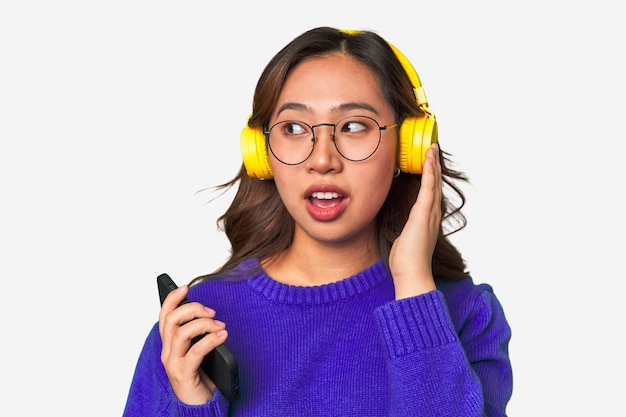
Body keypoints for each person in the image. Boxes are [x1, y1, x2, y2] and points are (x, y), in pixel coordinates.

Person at [122, 26, 513, 416]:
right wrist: (194, 406)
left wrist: (413, 287)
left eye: (354, 126)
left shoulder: (465, 314)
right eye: (293, 128)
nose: (322, 159)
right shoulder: (191, 333)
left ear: (408, 149)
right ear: (263, 153)